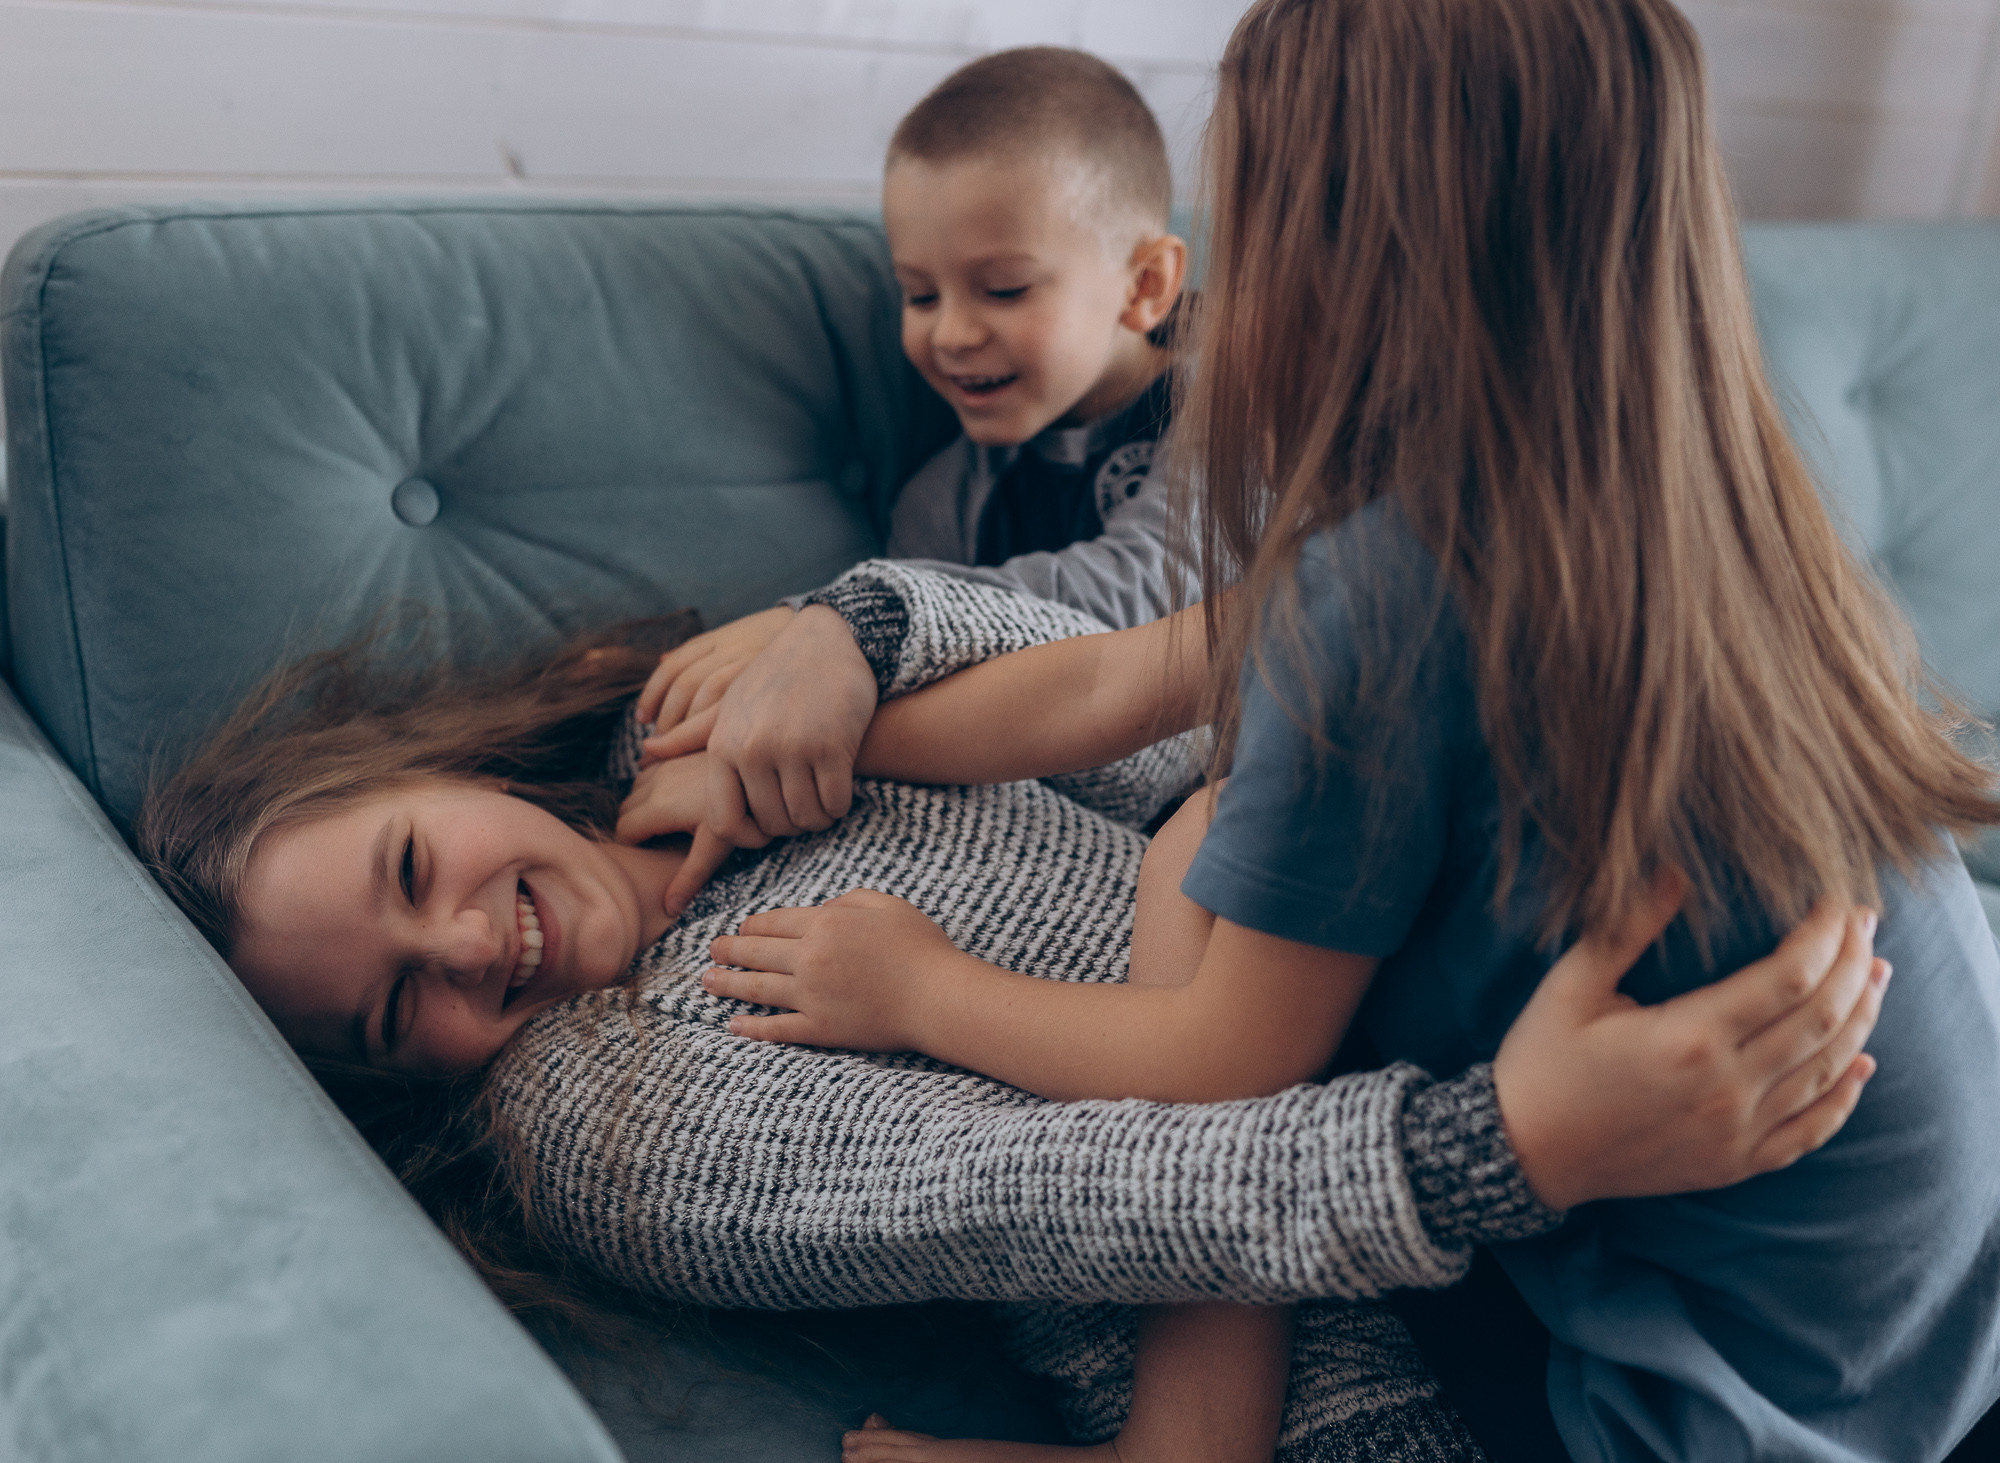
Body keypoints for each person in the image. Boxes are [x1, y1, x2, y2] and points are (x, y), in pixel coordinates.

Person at [689, 3, 2000, 1461]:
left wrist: (917, 986)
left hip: (1710, 1411)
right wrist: (829, 686)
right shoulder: (1702, 515)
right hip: (1941, 1331)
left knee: (1217, 905)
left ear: (1334, 254)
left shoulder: (1384, 596)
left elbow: (1220, 1067)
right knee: (1210, 823)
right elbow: (1111, 680)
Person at [138, 568, 1884, 1463]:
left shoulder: (681, 737)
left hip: (1431, 1032)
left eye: (417, 865)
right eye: (395, 1011)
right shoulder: (602, 1111)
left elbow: (1155, 717)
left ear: (429, 771)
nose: (467, 945)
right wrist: (1504, 1142)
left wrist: (855, 627)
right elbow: (1063, 1193)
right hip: (1390, 1368)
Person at [631, 47, 1195, 908]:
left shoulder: (1226, 416)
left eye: (1003, 289)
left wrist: (837, 619)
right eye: (920, 295)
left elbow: (1131, 603)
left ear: (1144, 285)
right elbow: (917, 695)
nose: (953, 334)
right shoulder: (944, 495)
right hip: (1061, 848)